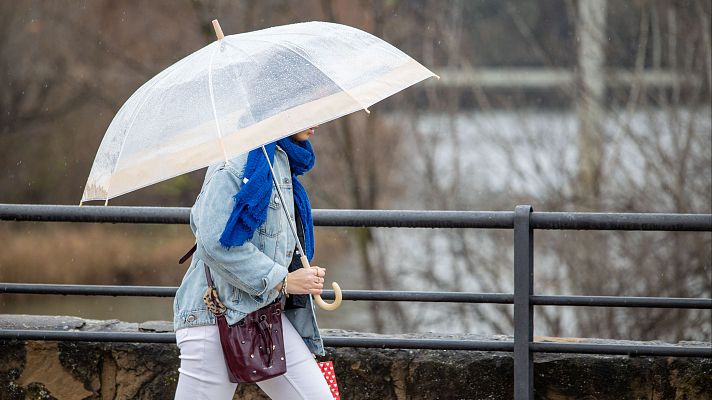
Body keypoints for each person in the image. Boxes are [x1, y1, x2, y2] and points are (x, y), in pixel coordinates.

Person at [173, 126, 334, 399]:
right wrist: (284, 281)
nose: (315, 121)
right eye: (306, 109)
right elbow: (212, 242)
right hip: (214, 318)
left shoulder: (277, 160)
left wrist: (297, 273)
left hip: (263, 317)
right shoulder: (235, 161)